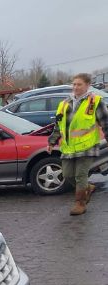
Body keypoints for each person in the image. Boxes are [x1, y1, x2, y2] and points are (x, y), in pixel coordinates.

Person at [48, 73, 108, 215]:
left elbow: (106, 123)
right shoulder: (64, 104)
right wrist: (51, 141)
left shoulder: (96, 102)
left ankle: (80, 203)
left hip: (87, 146)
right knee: (68, 175)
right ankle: (88, 187)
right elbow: (58, 126)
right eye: (74, 84)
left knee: (80, 175)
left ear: (87, 85)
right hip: (69, 148)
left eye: (79, 84)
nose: (75, 87)